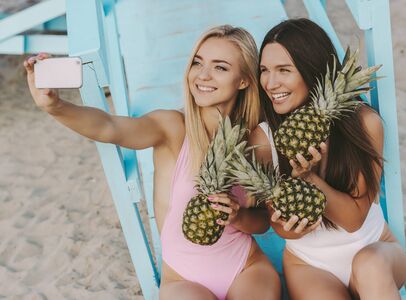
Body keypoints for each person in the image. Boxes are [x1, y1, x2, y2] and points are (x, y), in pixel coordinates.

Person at [24, 25, 280, 300]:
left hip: (245, 267)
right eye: (197, 62)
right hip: (183, 278)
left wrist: (238, 216)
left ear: (243, 80)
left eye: (220, 67)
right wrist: (55, 106)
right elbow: (109, 127)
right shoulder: (173, 127)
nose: (202, 75)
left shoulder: (255, 138)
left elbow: (263, 221)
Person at [249, 18, 406, 300]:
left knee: (370, 266)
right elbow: (278, 226)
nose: (270, 83)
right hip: (309, 264)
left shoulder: (364, 123)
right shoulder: (264, 139)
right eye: (264, 70)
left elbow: (354, 220)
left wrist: (309, 178)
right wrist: (293, 226)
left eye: (284, 70)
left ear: (313, 70)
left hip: (374, 248)